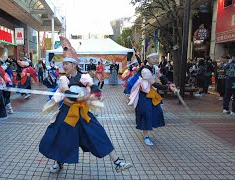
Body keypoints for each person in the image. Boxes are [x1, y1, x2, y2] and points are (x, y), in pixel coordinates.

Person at [39, 36, 133, 174]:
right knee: (61, 137)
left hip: (82, 112)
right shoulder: (63, 79)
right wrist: (77, 96)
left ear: (74, 65)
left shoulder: (84, 77)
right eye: (63, 64)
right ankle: (58, 163)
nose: (64, 66)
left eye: (67, 64)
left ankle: (117, 162)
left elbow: (94, 88)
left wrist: (93, 95)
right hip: (67, 112)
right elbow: (67, 92)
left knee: (99, 133)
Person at [128, 53, 177, 146]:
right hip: (144, 96)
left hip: (152, 94)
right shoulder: (145, 71)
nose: (155, 59)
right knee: (146, 114)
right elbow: (154, 84)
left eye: (156, 58)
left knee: (157, 112)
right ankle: (146, 136)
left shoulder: (155, 68)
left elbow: (161, 76)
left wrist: (169, 83)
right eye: (153, 58)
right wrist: (168, 88)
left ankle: (147, 132)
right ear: (148, 59)